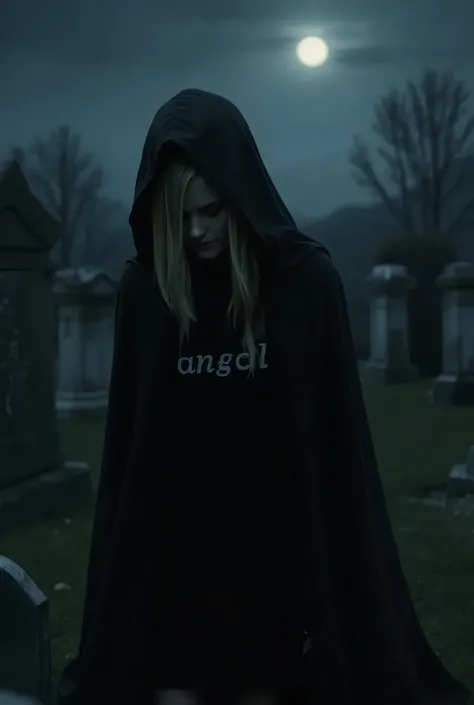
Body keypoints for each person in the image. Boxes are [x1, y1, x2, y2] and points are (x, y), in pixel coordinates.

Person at [58, 89, 470, 705]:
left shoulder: (303, 283)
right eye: (180, 217)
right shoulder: (147, 293)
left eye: (212, 211)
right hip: (175, 566)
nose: (196, 231)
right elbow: (131, 457)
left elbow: (334, 453)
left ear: (240, 194)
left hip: (273, 567)